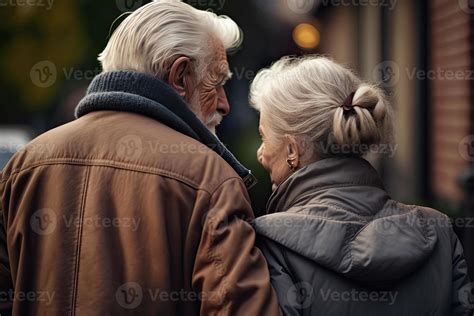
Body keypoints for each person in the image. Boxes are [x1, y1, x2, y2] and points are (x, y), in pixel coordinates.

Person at [0, 1, 281, 315]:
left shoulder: (24, 165)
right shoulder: (210, 178)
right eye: (216, 83)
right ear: (181, 76)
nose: (225, 104)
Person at [250, 55, 473, 315]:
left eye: (263, 138)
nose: (260, 154)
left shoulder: (272, 247)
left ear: (292, 150)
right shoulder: (439, 233)